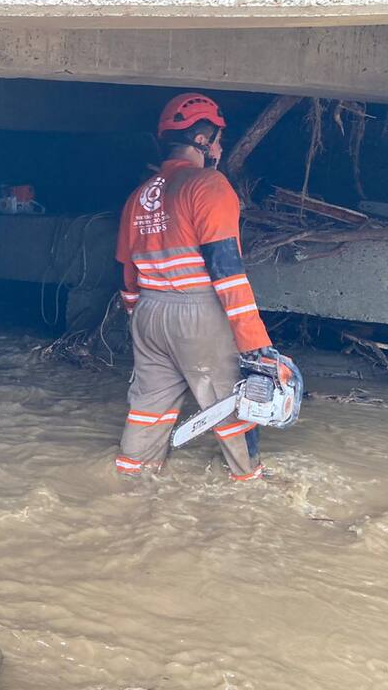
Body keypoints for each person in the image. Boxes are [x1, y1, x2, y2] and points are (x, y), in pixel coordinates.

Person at [114, 92, 270, 482]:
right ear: (202, 140)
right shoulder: (208, 184)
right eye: (216, 138)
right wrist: (256, 344)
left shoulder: (139, 196)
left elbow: (128, 272)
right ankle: (249, 483)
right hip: (197, 313)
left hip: (148, 314)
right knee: (233, 404)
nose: (219, 146)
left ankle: (130, 481)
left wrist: (140, 317)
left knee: (148, 408)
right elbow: (227, 271)